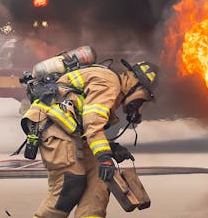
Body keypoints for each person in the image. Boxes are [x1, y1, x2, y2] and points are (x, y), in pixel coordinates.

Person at [21, 55, 159, 218]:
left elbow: (86, 124)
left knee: (100, 178)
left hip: (70, 131)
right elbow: (92, 121)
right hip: (53, 125)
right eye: (145, 95)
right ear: (134, 81)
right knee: (71, 183)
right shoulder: (110, 82)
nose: (141, 102)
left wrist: (110, 148)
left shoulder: (111, 85)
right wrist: (104, 156)